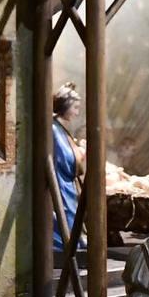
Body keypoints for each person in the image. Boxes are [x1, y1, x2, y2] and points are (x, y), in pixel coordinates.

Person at [51, 82, 87, 252]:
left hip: (66, 184)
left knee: (71, 217)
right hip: (60, 184)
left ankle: (74, 243)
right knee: (65, 217)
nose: (77, 112)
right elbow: (65, 159)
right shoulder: (54, 129)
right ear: (65, 105)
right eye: (75, 107)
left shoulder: (59, 128)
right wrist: (80, 153)